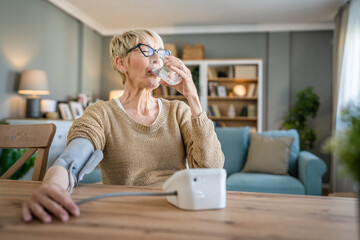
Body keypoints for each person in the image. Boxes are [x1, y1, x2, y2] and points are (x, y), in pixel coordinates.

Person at [22, 29, 224, 223]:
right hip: (122, 212)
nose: (156, 59)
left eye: (160, 53)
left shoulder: (179, 111)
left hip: (175, 209)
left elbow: (211, 168)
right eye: (147, 51)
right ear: (121, 63)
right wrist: (52, 187)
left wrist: (193, 98)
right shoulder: (101, 113)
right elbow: (71, 160)